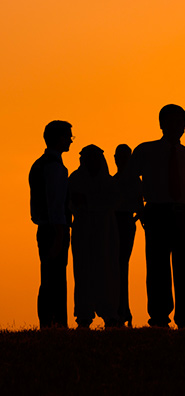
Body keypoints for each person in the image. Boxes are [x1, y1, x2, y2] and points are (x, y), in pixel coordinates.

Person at [128, 104, 185, 328]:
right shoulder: (145, 151)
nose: (176, 127)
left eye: (180, 123)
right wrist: (140, 210)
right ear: (161, 124)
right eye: (170, 122)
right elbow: (130, 180)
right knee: (158, 268)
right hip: (158, 212)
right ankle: (159, 317)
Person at [68, 145, 121, 328]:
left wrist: (89, 203)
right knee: (83, 272)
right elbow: (73, 203)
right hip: (83, 232)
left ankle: (109, 313)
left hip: (106, 233)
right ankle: (84, 314)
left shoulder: (108, 182)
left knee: (107, 271)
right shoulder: (75, 179)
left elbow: (112, 202)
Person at [30, 120, 73, 328]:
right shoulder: (54, 167)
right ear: (60, 138)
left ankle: (49, 322)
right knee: (54, 278)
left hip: (46, 228)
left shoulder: (40, 164)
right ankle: (55, 322)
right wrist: (59, 234)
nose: (71, 141)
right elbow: (55, 204)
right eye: (68, 136)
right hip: (54, 229)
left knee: (49, 276)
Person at [113, 144, 141, 327]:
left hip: (125, 222)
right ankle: (120, 310)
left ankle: (123, 310)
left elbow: (140, 204)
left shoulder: (132, 181)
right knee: (117, 267)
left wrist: (132, 220)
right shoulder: (113, 179)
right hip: (116, 223)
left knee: (121, 266)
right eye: (119, 156)